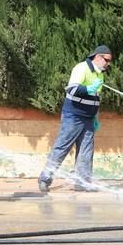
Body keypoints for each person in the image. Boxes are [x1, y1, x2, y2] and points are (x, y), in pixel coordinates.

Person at [38, 45, 113, 193]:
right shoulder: (81, 68)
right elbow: (71, 89)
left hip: (89, 118)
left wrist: (96, 117)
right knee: (62, 147)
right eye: (106, 60)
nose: (108, 64)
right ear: (98, 57)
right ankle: (44, 179)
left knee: (86, 151)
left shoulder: (100, 74)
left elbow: (96, 98)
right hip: (74, 116)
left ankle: (83, 183)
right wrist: (88, 89)